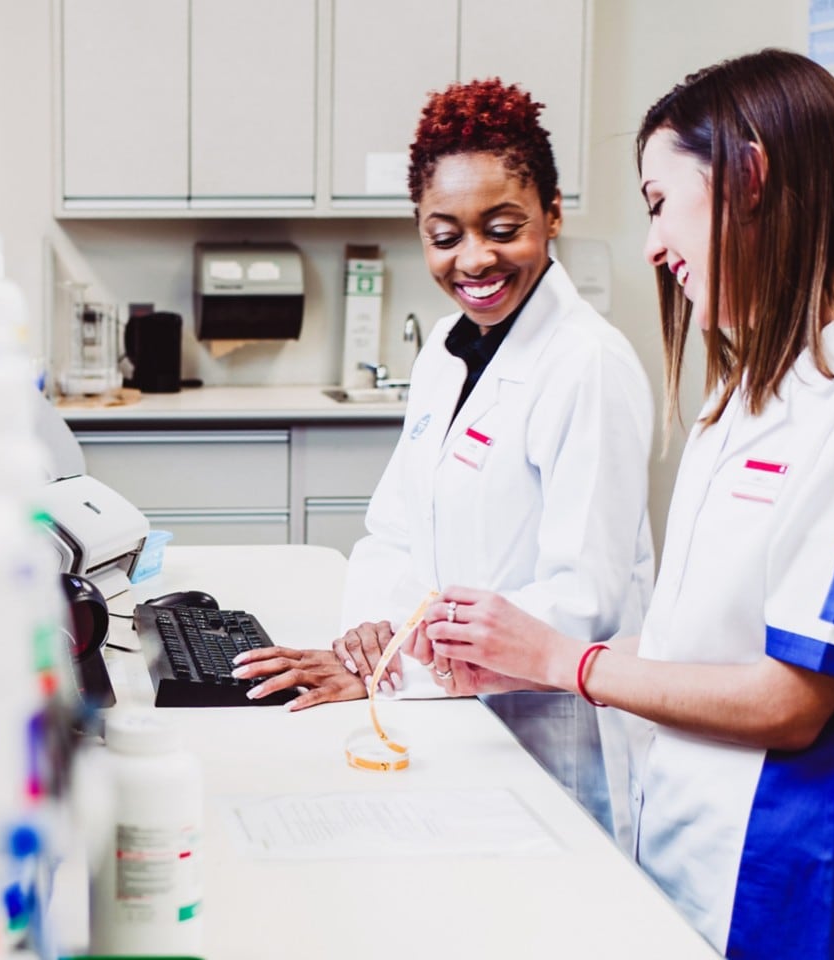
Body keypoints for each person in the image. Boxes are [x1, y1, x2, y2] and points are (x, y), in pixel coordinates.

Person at [408, 50, 834, 959]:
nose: (651, 245)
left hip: (793, 897)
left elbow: (791, 698)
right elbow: (693, 652)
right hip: (681, 862)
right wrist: (520, 658)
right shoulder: (746, 397)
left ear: (749, 178)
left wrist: (565, 659)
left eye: (660, 202)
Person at [234, 77, 655, 840]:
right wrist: (370, 633)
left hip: (545, 742)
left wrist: (403, 664)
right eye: (445, 235)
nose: (475, 260)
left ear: (553, 213)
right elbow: (392, 532)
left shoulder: (588, 364)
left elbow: (581, 598)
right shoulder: (443, 349)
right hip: (437, 719)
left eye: (503, 227)